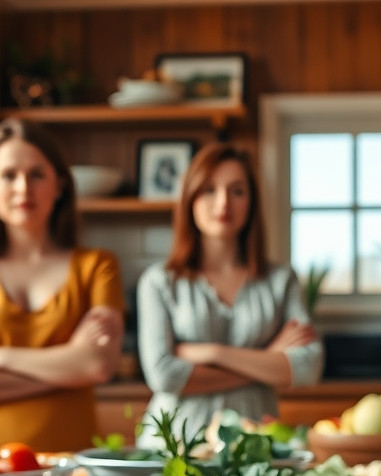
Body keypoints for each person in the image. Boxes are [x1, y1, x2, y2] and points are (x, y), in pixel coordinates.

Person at [0, 118, 124, 451]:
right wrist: (66, 369)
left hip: (69, 466)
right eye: (8, 175)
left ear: (59, 185)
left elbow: (97, 365)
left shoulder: (97, 266)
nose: (23, 188)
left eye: (37, 174)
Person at [136, 143, 322, 443]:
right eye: (209, 190)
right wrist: (267, 360)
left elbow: (306, 367)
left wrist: (212, 353)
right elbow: (163, 375)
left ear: (252, 202)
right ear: (190, 198)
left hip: (255, 449)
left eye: (237, 191)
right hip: (171, 449)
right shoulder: (159, 282)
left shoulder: (280, 280)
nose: (223, 203)